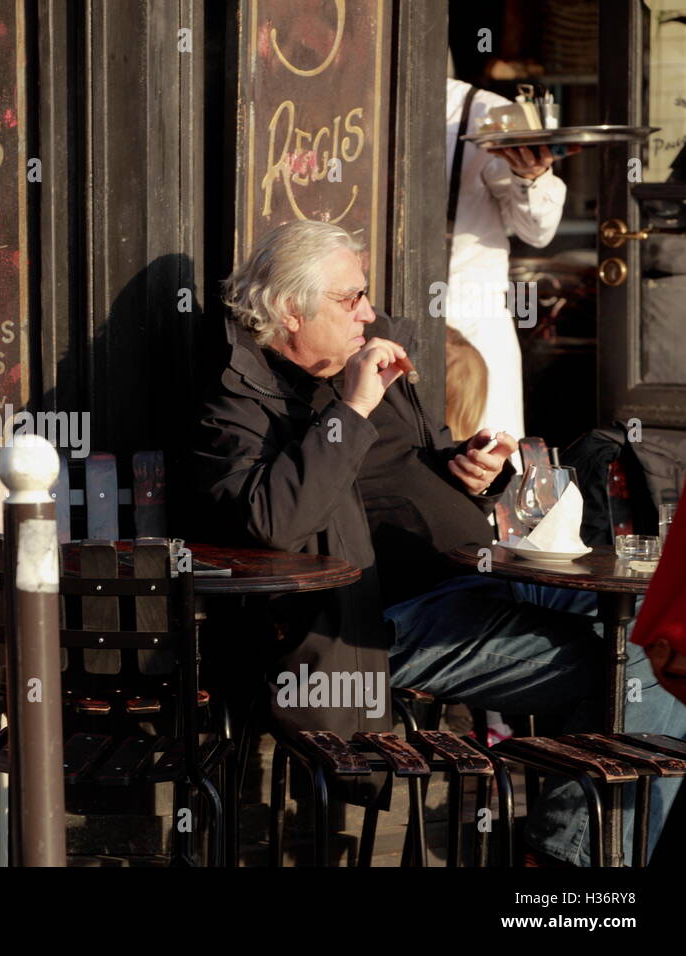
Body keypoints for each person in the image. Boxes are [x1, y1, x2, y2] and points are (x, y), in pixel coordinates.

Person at [192, 219, 686, 866]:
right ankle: (572, 868)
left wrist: (470, 469)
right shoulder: (238, 398)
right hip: (381, 617)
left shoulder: (366, 361)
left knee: (666, 639)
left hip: (485, 569)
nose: (368, 314)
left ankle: (584, 858)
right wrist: (353, 408)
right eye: (350, 300)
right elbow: (272, 520)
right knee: (635, 672)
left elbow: (406, 471)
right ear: (290, 310)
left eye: (365, 295)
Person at [445, 76, 567, 442]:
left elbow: (537, 232)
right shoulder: (350, 95)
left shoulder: (483, 111)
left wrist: (532, 176)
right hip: (372, 317)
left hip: (471, 322)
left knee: (486, 456)